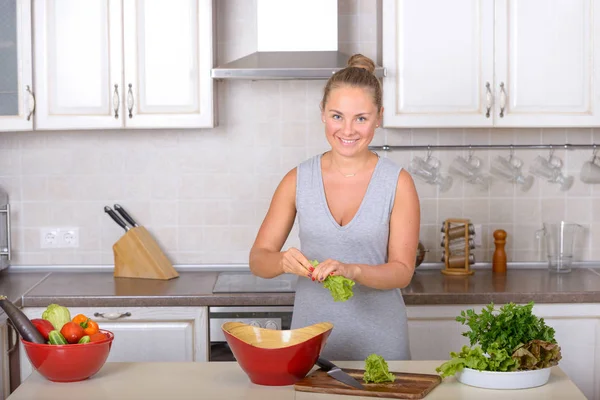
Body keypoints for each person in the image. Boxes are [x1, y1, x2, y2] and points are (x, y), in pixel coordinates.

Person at [248, 54, 420, 361]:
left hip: (382, 342)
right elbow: (259, 259)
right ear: (323, 114)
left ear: (378, 117)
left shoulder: (398, 183)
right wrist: (283, 262)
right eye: (337, 116)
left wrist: (352, 270)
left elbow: (402, 272)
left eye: (361, 118)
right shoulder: (297, 179)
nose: (348, 130)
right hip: (312, 341)